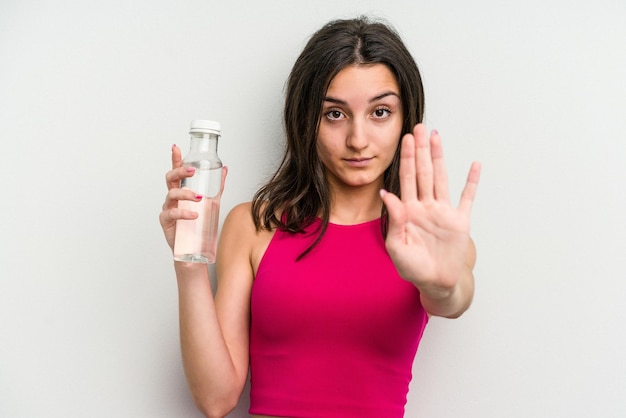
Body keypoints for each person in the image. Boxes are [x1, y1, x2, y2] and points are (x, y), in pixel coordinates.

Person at [160, 16, 481, 418]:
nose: (358, 139)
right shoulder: (253, 225)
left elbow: (452, 298)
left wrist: (445, 284)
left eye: (380, 112)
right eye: (334, 114)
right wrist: (189, 259)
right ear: (306, 120)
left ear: (405, 118)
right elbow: (216, 399)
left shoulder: (431, 241)